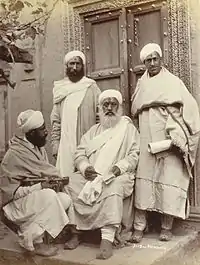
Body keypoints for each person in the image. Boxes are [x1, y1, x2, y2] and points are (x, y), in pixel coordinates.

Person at [131, 43, 200, 243]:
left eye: (155, 59)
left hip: (167, 137)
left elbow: (190, 109)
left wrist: (180, 134)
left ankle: (166, 227)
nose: (152, 63)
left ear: (161, 59)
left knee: (168, 180)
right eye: (148, 60)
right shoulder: (141, 85)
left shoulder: (173, 82)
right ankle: (139, 227)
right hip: (146, 137)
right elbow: (135, 109)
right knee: (143, 182)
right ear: (143, 63)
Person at [65, 89, 139, 260]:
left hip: (118, 175)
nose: (109, 108)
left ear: (120, 107)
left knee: (113, 186)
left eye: (113, 104)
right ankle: (76, 232)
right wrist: (85, 167)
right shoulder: (93, 131)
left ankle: (107, 239)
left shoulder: (128, 130)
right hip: (92, 175)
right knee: (70, 183)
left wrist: (117, 168)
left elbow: (134, 155)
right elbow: (79, 153)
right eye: (106, 104)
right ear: (100, 108)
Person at [1, 109, 71, 256]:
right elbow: (12, 193)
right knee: (49, 196)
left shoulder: (39, 149)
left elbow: (42, 175)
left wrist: (50, 184)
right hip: (12, 206)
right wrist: (40, 186)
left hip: (30, 201)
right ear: (31, 133)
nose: (46, 132)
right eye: (42, 129)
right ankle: (34, 241)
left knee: (64, 200)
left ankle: (28, 234)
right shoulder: (15, 154)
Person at [51, 50, 101, 177]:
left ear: (83, 66)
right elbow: (56, 120)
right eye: (71, 63)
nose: (74, 67)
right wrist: (55, 143)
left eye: (77, 64)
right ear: (66, 66)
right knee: (66, 177)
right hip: (66, 143)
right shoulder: (60, 89)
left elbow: (99, 116)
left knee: (87, 177)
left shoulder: (91, 87)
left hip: (88, 142)